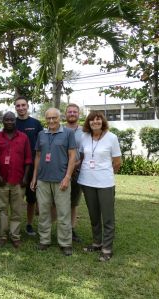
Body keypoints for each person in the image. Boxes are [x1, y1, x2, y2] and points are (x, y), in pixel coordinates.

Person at [30, 108, 76, 256]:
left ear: (59, 118)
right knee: (43, 211)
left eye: (54, 118)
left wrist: (67, 177)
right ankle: (44, 240)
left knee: (63, 212)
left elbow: (72, 156)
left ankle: (65, 242)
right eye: (48, 118)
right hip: (43, 180)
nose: (51, 121)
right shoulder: (41, 134)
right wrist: (34, 177)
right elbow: (37, 156)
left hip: (61, 180)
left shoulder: (68, 133)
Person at [78, 111, 121, 262]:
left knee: (107, 217)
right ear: (88, 123)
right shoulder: (84, 137)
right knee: (94, 215)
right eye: (92, 120)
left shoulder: (112, 137)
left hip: (105, 183)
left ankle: (107, 248)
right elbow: (82, 157)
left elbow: (117, 163)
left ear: (103, 122)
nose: (95, 122)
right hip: (87, 181)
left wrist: (106, 173)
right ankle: (97, 243)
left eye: (98, 120)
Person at [0, 112, 32, 249]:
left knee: (17, 210)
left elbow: (28, 160)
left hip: (18, 181)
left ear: (15, 121)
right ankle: (2, 236)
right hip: (1, 181)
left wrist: (26, 177)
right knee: (2, 210)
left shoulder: (23, 137)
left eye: (12, 119)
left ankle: (15, 236)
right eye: (6, 119)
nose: (9, 122)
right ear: (2, 121)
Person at [14, 96, 43, 236]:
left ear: (27, 106)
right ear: (15, 108)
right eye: (18, 106)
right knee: (16, 199)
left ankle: (29, 224)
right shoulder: (11, 123)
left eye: (23, 105)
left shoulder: (36, 124)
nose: (21, 108)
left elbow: (42, 147)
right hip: (16, 168)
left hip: (32, 167)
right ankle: (15, 224)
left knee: (31, 199)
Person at [65, 103, 83, 243]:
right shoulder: (59, 130)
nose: (72, 114)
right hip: (60, 171)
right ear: (65, 114)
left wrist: (75, 166)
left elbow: (87, 153)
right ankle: (60, 228)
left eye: (74, 112)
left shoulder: (85, 132)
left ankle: (71, 230)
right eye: (69, 112)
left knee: (73, 202)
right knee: (57, 202)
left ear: (79, 114)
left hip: (78, 171)